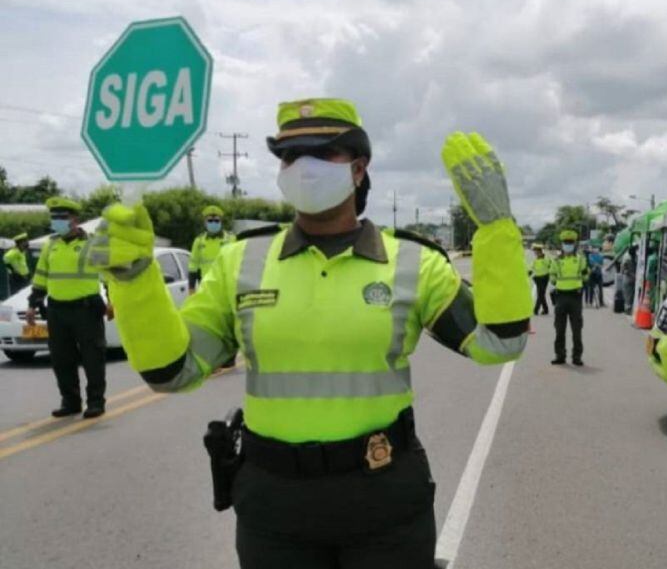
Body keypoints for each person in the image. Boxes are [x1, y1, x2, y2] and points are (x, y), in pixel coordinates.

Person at [89, 98, 531, 569]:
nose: (303, 166)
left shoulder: (413, 263)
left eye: (323, 153)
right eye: (290, 155)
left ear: (358, 169)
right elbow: (172, 371)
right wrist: (134, 280)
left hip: (383, 496)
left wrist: (497, 231)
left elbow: (499, 342)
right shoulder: (240, 262)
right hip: (274, 504)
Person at [28, 198, 108, 418]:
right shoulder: (50, 245)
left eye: (62, 217)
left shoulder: (94, 244)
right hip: (57, 311)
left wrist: (112, 300)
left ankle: (96, 402)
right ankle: (70, 402)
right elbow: (41, 277)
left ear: (74, 219)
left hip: (86, 310)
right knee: (62, 360)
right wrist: (32, 304)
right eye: (54, 217)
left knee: (93, 359)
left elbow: (109, 274)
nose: (57, 221)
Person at [550, 229, 588, 366]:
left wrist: (582, 281)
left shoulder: (580, 259)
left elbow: (585, 275)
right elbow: (552, 277)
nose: (568, 245)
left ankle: (577, 357)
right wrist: (557, 282)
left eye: (570, 242)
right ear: (562, 244)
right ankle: (560, 355)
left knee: (577, 330)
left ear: (575, 244)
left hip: (575, 297)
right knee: (559, 329)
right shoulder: (556, 261)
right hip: (560, 296)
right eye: (566, 242)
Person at [189, 205, 235, 293]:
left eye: (217, 221)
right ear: (205, 223)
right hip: (206, 287)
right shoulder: (199, 241)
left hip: (226, 285)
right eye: (210, 221)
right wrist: (191, 288)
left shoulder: (231, 239)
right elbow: (193, 266)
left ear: (221, 222)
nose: (213, 223)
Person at [530, 243, 551, 315]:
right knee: (541, 294)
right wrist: (529, 272)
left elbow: (550, 265)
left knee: (540, 294)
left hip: (544, 278)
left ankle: (536, 310)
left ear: (540, 251)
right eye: (535, 251)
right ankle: (545, 310)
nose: (535, 253)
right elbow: (532, 268)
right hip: (537, 279)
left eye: (536, 251)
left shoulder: (545, 259)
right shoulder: (535, 260)